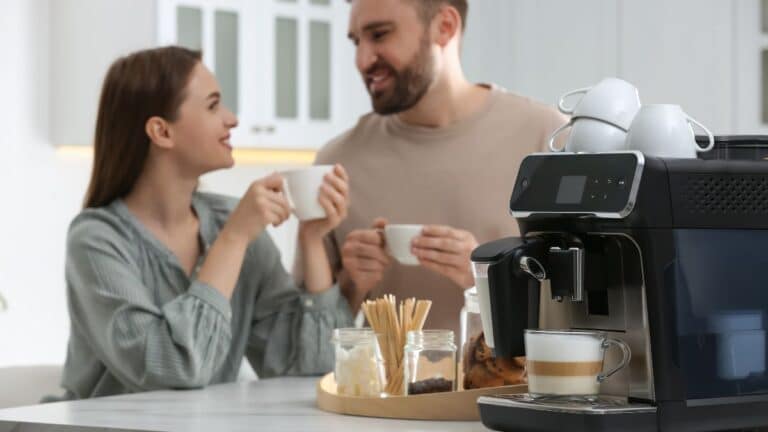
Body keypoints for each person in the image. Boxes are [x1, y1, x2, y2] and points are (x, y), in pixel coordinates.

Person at [59, 46, 353, 399]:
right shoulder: (96, 240)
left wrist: (312, 238)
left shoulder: (234, 223)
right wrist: (233, 240)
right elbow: (173, 367)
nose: (232, 119)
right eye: (213, 106)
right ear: (161, 132)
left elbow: (311, 366)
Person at [314, 0, 569, 333]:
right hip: (386, 385)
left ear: (445, 26)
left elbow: (590, 307)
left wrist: (488, 279)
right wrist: (352, 283)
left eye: (379, 35)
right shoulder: (337, 162)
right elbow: (309, 338)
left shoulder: (548, 138)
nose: (362, 60)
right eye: (356, 41)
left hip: (509, 385)